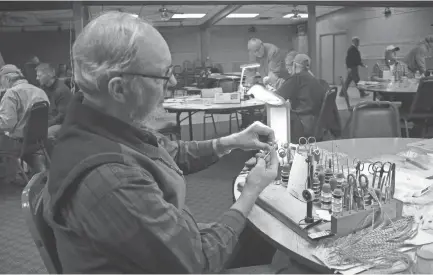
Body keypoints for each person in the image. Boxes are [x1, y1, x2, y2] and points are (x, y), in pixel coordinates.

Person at [42, 11, 281, 273]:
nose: (175, 82)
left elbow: (169, 151)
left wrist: (231, 141)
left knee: (263, 242)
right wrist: (251, 192)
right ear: (119, 89)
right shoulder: (112, 179)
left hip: (159, 252)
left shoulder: (102, 124)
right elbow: (198, 261)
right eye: (164, 75)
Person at [0, 64, 49, 175]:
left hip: (17, 144)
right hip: (37, 143)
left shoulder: (11, 93)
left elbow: (7, 124)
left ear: (7, 79)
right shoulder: (39, 91)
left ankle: (12, 176)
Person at [275, 54, 326, 140]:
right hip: (315, 122)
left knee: (276, 117)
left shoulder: (296, 78)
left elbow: (277, 96)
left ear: (294, 65)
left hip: (302, 123)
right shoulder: (314, 79)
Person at [35, 63, 72, 143]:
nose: (37, 78)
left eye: (39, 75)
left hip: (62, 124)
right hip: (50, 121)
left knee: (47, 133)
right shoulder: (44, 89)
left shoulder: (61, 90)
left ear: (49, 75)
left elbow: (62, 116)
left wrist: (45, 125)